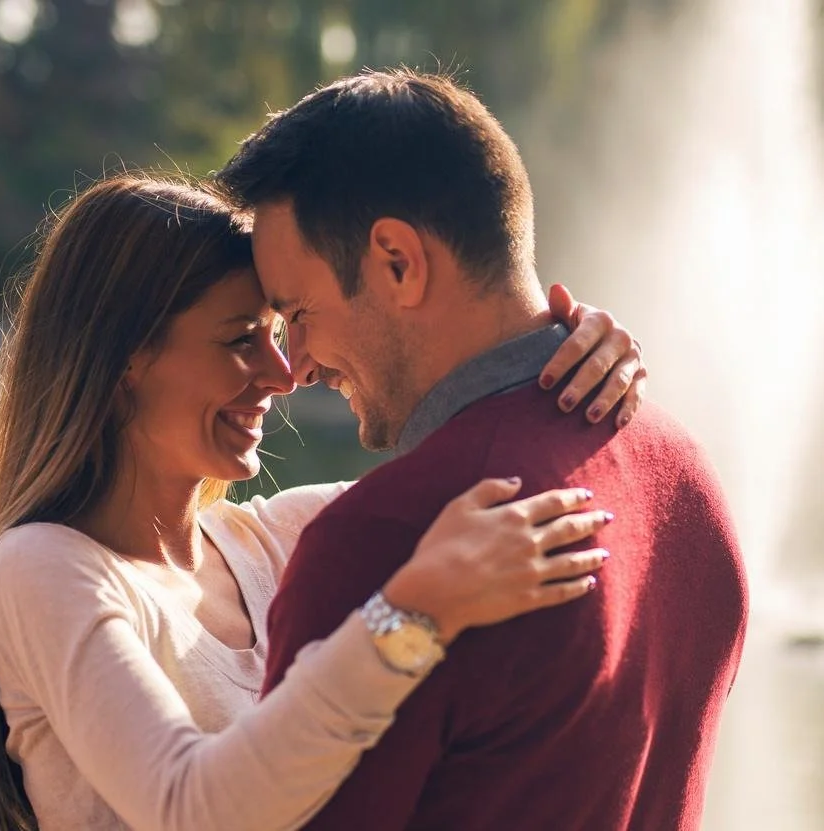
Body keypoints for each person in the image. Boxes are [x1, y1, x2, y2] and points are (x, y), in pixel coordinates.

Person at [0, 174, 647, 831]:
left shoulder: (287, 535)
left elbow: (481, 466)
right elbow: (195, 806)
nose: (284, 373)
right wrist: (414, 614)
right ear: (126, 362)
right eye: (240, 340)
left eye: (281, 334)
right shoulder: (43, 568)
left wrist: (569, 352)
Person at [216, 68, 748, 830]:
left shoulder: (388, 545)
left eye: (299, 312)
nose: (296, 364)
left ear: (398, 261)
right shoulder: (690, 478)